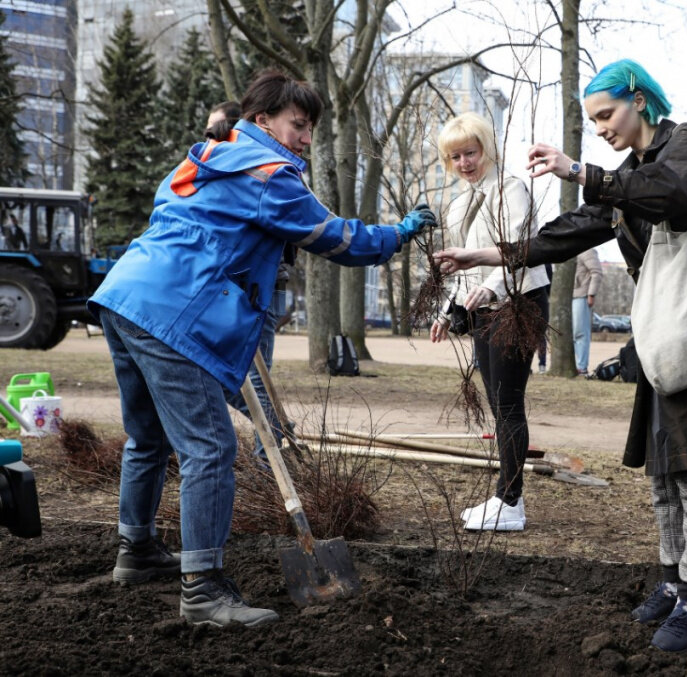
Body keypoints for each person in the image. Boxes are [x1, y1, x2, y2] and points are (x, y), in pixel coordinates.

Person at [435, 59, 687, 654]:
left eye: (606, 114)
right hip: (664, 341)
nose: (600, 127)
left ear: (639, 100)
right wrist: (491, 257)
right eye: (592, 120)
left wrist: (580, 170)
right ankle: (671, 576)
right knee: (663, 469)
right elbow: (572, 229)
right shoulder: (625, 176)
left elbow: (673, 194)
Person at [88, 70, 436, 627]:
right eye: (298, 125)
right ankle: (202, 589)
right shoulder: (272, 176)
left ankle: (138, 550)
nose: (304, 139)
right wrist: (399, 233)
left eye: (310, 130)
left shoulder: (204, 159)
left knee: (148, 437)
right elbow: (338, 239)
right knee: (210, 448)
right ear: (262, 121)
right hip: (174, 313)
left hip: (127, 296)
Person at [429, 111, 549, 532]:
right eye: (456, 156)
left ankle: (510, 501)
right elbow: (462, 267)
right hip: (481, 310)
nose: (464, 162)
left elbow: (518, 248)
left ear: (487, 149)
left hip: (519, 303)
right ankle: (504, 495)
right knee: (498, 404)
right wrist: (450, 310)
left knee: (509, 402)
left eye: (471, 153)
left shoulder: (511, 190)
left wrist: (494, 287)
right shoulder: (459, 202)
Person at [206, 100, 289, 462]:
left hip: (259, 289)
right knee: (211, 371)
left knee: (257, 378)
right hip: (226, 289)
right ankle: (273, 427)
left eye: (218, 129)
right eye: (208, 132)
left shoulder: (261, 171)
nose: (211, 138)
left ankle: (268, 458)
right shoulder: (215, 168)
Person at [573, 248, 603, 375]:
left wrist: (591, 294)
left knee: (580, 332)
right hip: (568, 296)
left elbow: (597, 272)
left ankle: (582, 367)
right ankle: (575, 365)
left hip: (582, 295)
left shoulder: (587, 250)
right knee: (572, 334)